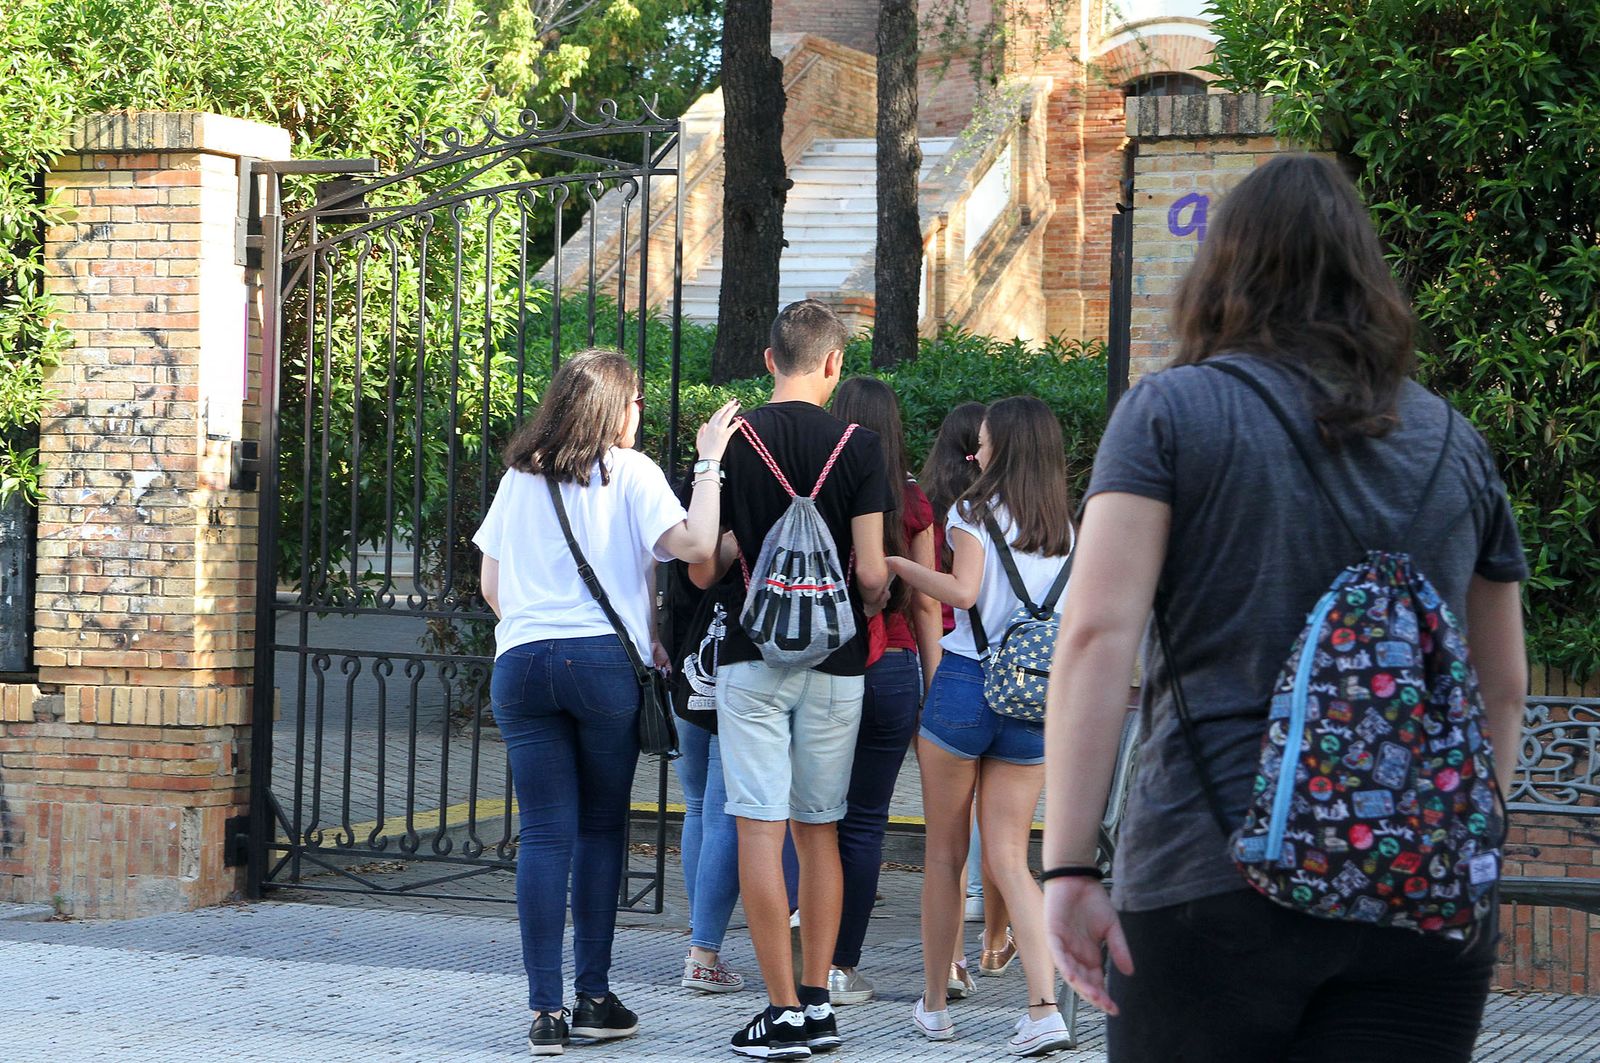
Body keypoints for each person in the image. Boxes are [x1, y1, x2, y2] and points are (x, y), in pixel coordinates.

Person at [1041, 154, 1529, 1063]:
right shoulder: (1458, 445)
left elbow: (1097, 637)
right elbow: (1501, 686)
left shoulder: (1170, 415)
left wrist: (1068, 862)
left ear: (1222, 271)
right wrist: (1452, 842)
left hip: (1205, 873)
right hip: (1416, 898)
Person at [474, 348, 742, 1056]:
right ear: (613, 406)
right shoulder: (632, 472)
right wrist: (710, 461)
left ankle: (544, 1012)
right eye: (636, 400)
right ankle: (593, 994)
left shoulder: (519, 476)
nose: (639, 413)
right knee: (598, 828)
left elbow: (492, 587)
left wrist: (538, 626)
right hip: (599, 667)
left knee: (543, 832)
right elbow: (695, 545)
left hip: (522, 664)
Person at [691, 300, 894, 1061]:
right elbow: (872, 572)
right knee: (821, 831)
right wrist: (862, 597)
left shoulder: (731, 440)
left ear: (769, 358)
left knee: (757, 826)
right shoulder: (862, 444)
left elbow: (703, 563)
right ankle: (817, 1003)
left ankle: (778, 1015)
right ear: (835, 364)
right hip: (838, 663)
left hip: (754, 656)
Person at [890, 396, 1077, 1056]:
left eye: (988, 441)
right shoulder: (1066, 529)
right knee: (1009, 854)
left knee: (944, 854)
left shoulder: (971, 510)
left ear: (1009, 447)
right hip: (1034, 697)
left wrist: (902, 568)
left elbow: (963, 594)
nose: (979, 450)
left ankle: (936, 1004)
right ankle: (1044, 1007)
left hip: (968, 683)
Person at [822, 377, 943, 1007]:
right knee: (865, 822)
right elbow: (926, 604)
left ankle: (805, 958)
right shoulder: (912, 499)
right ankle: (843, 966)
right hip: (893, 668)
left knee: (812, 815)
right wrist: (934, 685)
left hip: (821, 662)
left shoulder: (816, 484)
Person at [915, 401, 1007, 987]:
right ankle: (1000, 945)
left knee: (944, 846)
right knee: (1006, 839)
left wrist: (932, 674)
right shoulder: (1056, 520)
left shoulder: (942, 506)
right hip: (1027, 685)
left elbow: (942, 598)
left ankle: (942, 978)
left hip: (960, 667)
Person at [666, 544, 746, 994]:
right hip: (740, 674)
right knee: (722, 815)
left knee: (697, 807)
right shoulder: (757, 507)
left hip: (685, 672)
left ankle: (700, 936)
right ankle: (703, 954)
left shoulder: (686, 518)